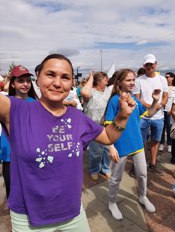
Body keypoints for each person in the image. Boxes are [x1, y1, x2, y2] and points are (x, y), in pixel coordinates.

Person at [0, 54, 136, 232]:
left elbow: (108, 137)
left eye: (65, 77)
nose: (57, 83)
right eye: (50, 74)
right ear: (38, 78)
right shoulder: (16, 110)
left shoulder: (78, 117)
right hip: (28, 216)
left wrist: (123, 116)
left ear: (71, 82)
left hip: (72, 212)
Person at [104, 69, 159, 220]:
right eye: (128, 80)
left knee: (143, 174)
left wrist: (154, 100)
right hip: (120, 145)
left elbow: (149, 113)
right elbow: (107, 125)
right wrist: (111, 146)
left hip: (137, 143)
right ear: (119, 82)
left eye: (133, 80)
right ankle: (112, 202)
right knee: (116, 177)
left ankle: (143, 196)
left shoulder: (134, 98)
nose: (132, 83)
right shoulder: (115, 101)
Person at [0, 65, 37, 199]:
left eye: (28, 80)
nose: (25, 84)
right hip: (10, 153)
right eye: (20, 81)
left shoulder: (36, 103)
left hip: (30, 152)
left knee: (30, 187)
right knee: (13, 189)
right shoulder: (5, 102)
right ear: (13, 84)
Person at [133, 54, 168, 175]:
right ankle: (136, 165)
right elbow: (137, 99)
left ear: (155, 64)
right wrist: (152, 105)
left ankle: (152, 164)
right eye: (147, 64)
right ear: (144, 65)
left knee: (155, 141)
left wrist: (160, 105)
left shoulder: (162, 79)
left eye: (151, 64)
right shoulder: (139, 80)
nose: (149, 66)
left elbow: (165, 97)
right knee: (139, 141)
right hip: (143, 117)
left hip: (158, 117)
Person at [81, 71, 111, 180]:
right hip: (93, 127)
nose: (107, 81)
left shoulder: (108, 91)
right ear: (98, 81)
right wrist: (90, 78)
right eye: (104, 79)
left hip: (106, 125)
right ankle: (94, 169)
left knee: (107, 149)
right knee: (96, 151)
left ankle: (106, 168)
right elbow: (84, 93)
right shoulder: (91, 92)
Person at [159, 72, 175, 153]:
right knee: (162, 128)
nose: (166, 78)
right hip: (162, 110)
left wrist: (172, 110)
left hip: (171, 111)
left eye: (168, 77)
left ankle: (169, 144)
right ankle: (162, 143)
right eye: (165, 77)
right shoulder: (163, 87)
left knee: (169, 128)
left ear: (172, 78)